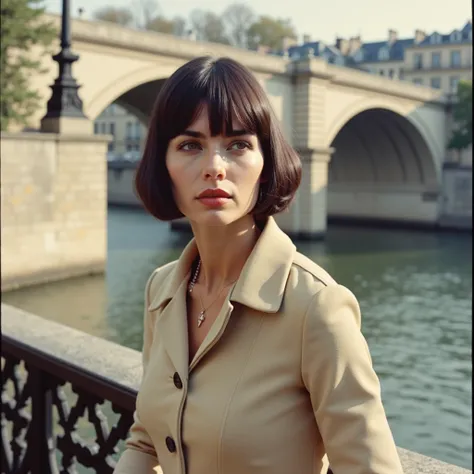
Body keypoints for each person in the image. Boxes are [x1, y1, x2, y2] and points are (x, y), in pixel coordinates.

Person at [113, 56, 404, 474]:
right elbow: (147, 439)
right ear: (164, 164)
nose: (214, 167)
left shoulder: (315, 307)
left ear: (266, 164)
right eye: (190, 145)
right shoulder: (162, 290)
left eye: (238, 145)